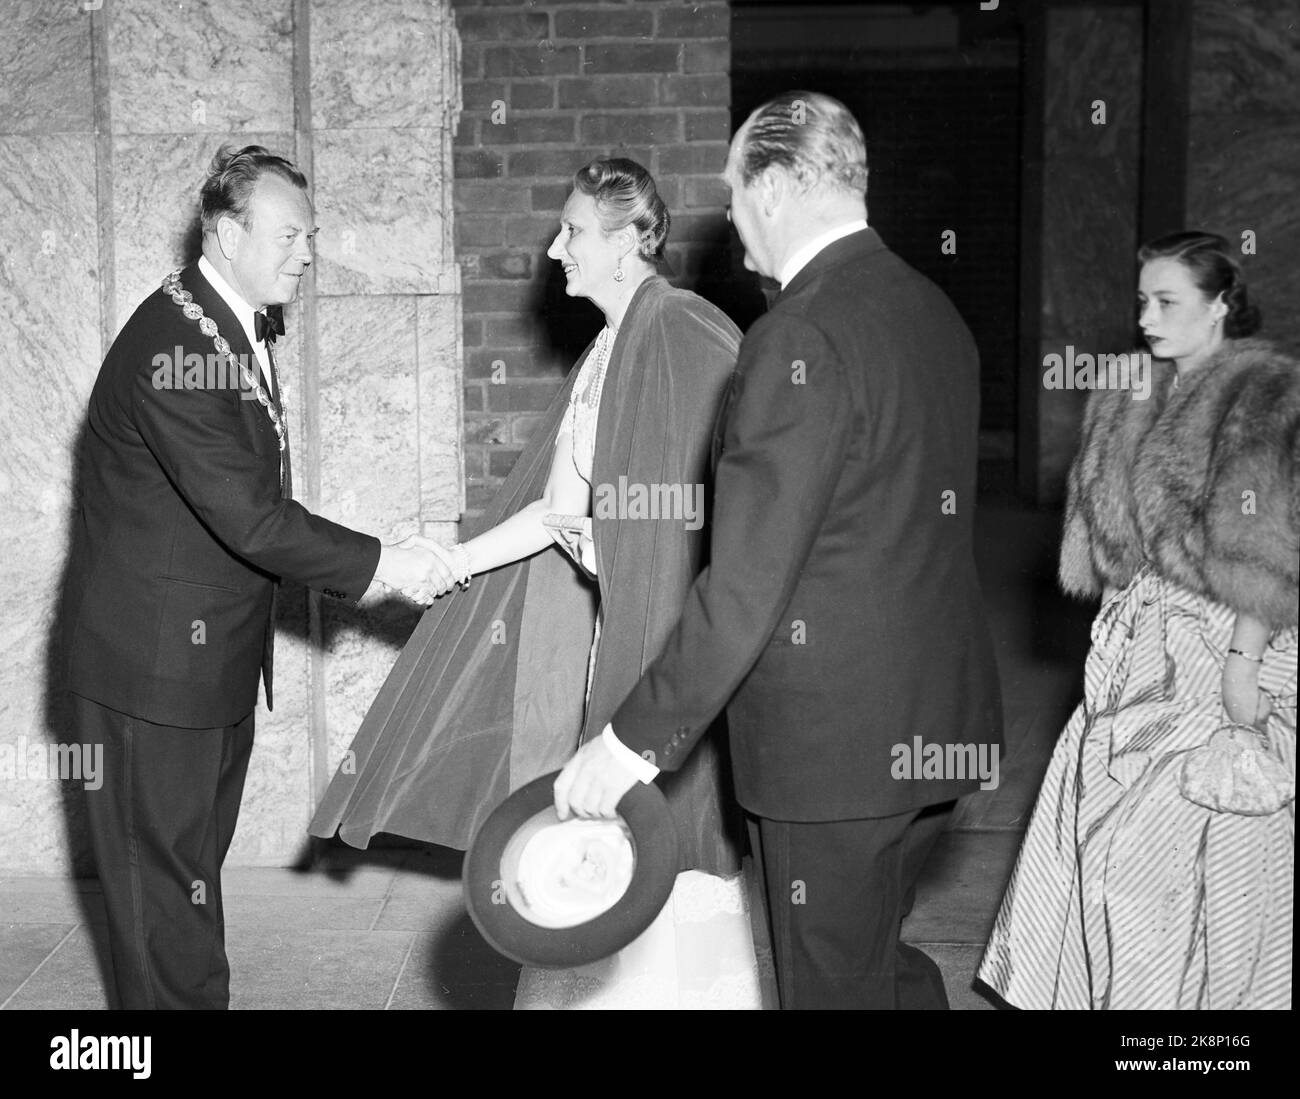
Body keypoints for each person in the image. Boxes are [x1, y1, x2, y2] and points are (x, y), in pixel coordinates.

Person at [554, 92, 1003, 1009]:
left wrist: (632, 742)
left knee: (828, 988)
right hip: (938, 725)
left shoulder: (795, 335)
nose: (729, 218)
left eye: (734, 190)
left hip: (834, 755)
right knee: (878, 964)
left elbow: (748, 583)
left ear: (782, 185)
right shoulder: (932, 311)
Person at [310, 158, 771, 1009]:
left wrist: (633, 572)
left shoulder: (684, 331)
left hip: (671, 645)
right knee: (606, 867)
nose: (555, 248)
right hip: (617, 637)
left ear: (632, 242)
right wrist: (450, 562)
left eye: (574, 232)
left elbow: (717, 522)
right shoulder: (606, 347)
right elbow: (560, 512)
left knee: (668, 865)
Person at [64, 144, 451, 1009]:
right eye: (288, 234)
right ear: (224, 231)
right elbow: (250, 517)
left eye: (308, 234)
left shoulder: (226, 319)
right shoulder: (175, 344)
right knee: (162, 902)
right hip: (149, 678)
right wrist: (386, 561)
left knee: (184, 884)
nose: (307, 253)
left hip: (202, 669)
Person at [979, 231, 1297, 1009]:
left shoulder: (1263, 397)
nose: (1147, 318)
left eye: (1168, 302)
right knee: (1097, 843)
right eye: (1142, 301)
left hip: (1220, 648)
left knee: (1178, 858)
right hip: (1131, 649)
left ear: (1221, 305)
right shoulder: (1126, 389)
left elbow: (1274, 554)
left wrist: (1243, 666)